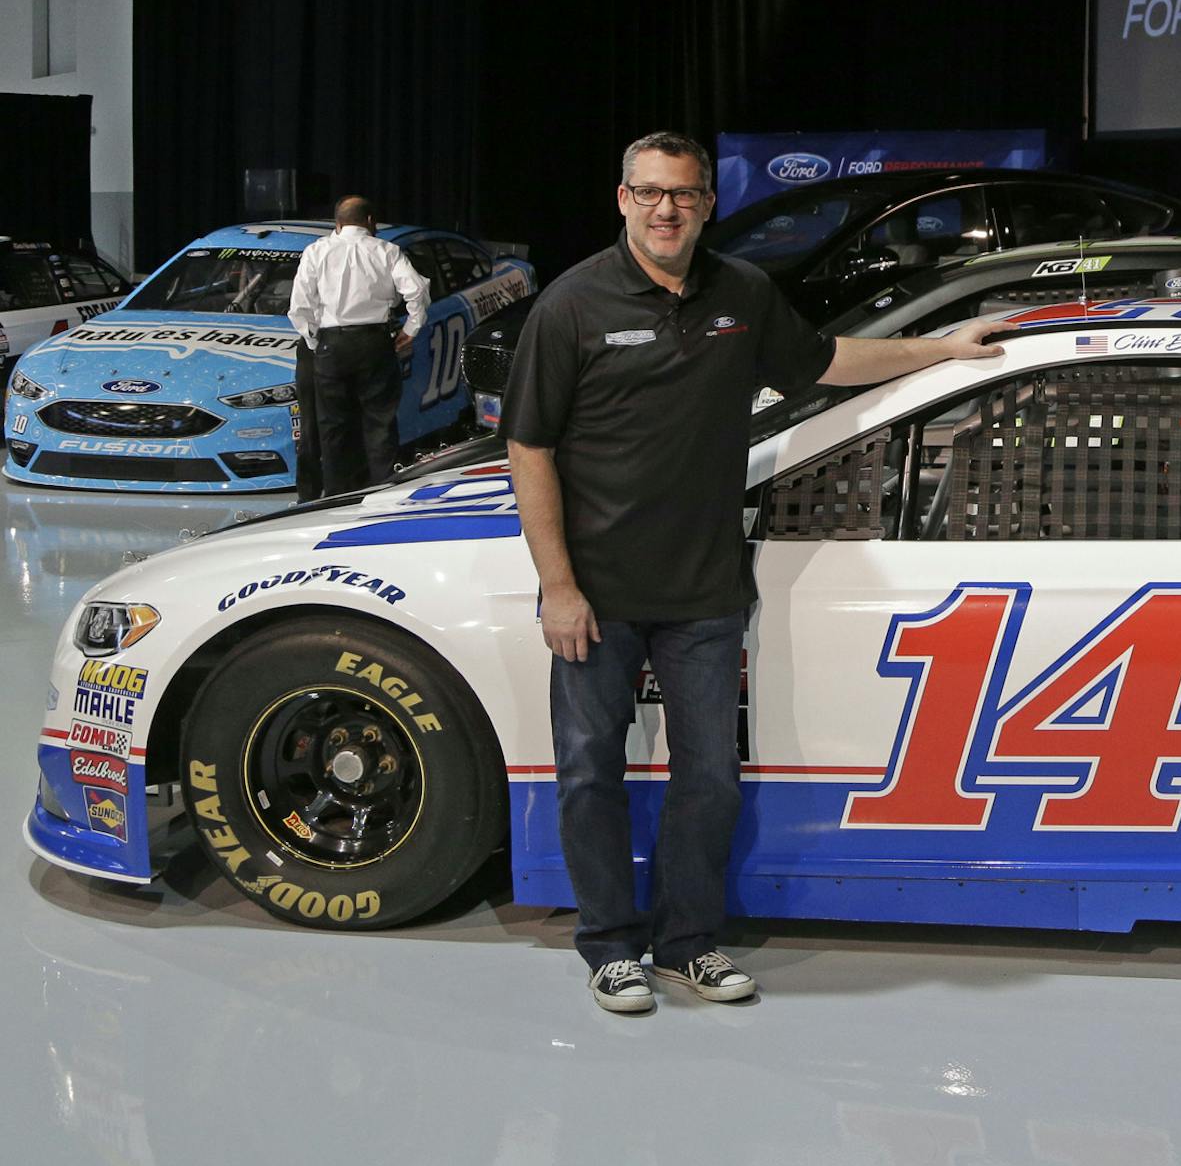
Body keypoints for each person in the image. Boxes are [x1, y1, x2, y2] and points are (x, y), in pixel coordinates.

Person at [502, 131, 1002, 1016]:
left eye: (685, 195)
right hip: (598, 593)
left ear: (707, 204)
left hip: (705, 590)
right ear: (622, 199)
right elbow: (529, 447)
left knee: (711, 779)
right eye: (651, 193)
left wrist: (945, 349)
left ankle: (687, 943)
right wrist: (559, 585)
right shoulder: (570, 306)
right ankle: (611, 947)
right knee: (588, 772)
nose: (667, 210)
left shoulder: (742, 292)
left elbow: (830, 362)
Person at [286, 195, 430, 495]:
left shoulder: (317, 251)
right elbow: (416, 291)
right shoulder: (387, 251)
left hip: (331, 345)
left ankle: (336, 500)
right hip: (375, 343)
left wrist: (315, 340)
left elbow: (299, 306)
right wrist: (411, 329)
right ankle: (382, 497)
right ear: (370, 221)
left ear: (336, 224)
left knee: (332, 428)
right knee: (380, 424)